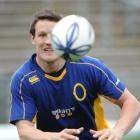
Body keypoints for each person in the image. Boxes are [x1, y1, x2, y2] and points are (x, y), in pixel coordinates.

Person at [10, 8, 140, 140]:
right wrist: (54, 137)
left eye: (55, 36)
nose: (48, 41)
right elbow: (24, 130)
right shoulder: (23, 79)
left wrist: (117, 131)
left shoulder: (91, 68)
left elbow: (131, 103)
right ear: (33, 38)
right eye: (42, 35)